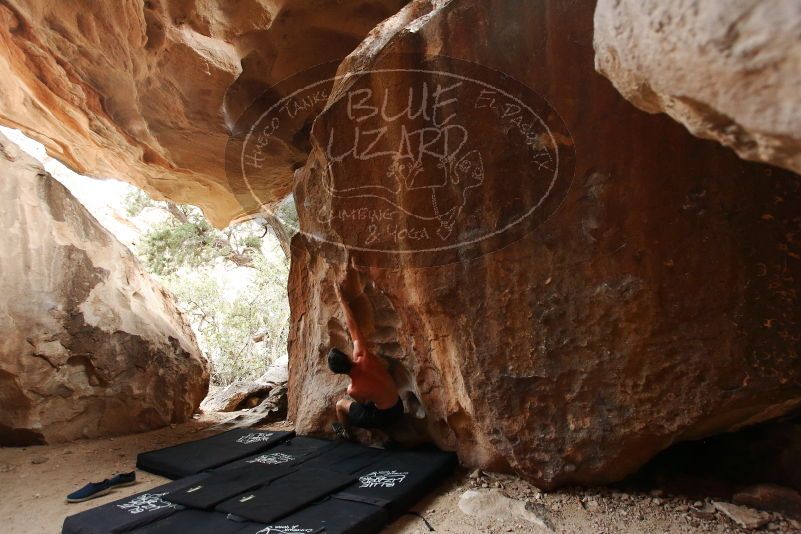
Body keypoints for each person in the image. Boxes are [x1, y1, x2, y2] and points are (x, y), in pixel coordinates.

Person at [329, 282, 403, 440]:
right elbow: (353, 327)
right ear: (348, 356)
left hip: (385, 416)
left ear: (338, 373)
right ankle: (383, 433)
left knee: (340, 405)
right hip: (399, 405)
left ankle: (347, 434)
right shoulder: (363, 355)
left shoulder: (354, 390)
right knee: (373, 402)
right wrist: (341, 300)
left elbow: (363, 404)